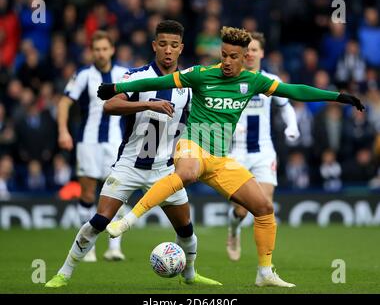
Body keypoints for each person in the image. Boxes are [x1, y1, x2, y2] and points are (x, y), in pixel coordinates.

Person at [98, 26, 364, 287]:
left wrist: (339, 96)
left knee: (264, 208)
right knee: (187, 173)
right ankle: (127, 221)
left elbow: (295, 91)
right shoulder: (201, 74)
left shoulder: (253, 81)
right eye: (223, 54)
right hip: (191, 146)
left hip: (219, 159)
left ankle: (264, 272)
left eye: (233, 56)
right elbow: (157, 81)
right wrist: (116, 87)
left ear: (245, 56)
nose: (226, 61)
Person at [45, 20, 220, 288]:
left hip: (165, 168)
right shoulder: (136, 76)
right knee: (99, 221)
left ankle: (190, 274)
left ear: (181, 48)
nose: (168, 51)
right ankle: (64, 273)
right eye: (163, 45)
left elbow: (198, 123)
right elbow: (110, 104)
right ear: (154, 46)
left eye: (174, 45)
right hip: (130, 164)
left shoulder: (189, 84)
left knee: (185, 228)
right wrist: (149, 103)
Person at [226, 32, 300, 261]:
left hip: (263, 151)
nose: (249, 54)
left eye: (254, 50)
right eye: (246, 50)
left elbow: (286, 105)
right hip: (235, 152)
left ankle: (265, 265)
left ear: (262, 53)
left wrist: (292, 126)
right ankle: (234, 229)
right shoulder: (229, 78)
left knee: (265, 205)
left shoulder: (269, 79)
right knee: (242, 209)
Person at [56, 30, 127, 262]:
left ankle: (114, 247)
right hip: (88, 142)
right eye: (97, 49)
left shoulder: (123, 74)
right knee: (87, 194)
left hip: (116, 142)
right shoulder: (83, 74)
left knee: (116, 193)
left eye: (105, 49)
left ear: (112, 50)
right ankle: (88, 247)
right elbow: (65, 103)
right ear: (92, 52)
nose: (101, 53)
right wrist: (63, 131)